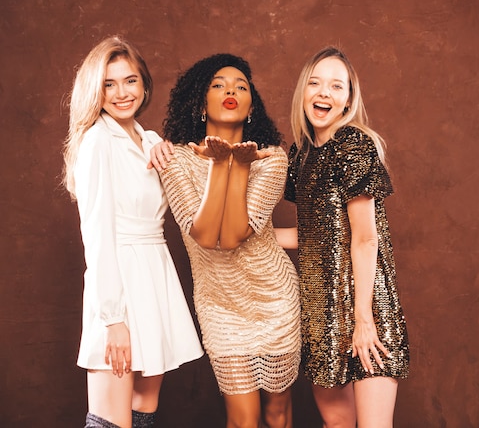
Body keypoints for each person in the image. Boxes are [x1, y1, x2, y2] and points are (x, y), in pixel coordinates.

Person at [150, 53, 301, 428]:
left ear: (252, 106)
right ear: (201, 102)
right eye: (218, 85)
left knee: (278, 412)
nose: (230, 91)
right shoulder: (176, 160)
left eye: (240, 86)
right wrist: (223, 165)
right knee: (243, 421)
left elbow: (235, 234)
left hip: (274, 299)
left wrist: (240, 164)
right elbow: (204, 236)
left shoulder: (270, 158)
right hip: (220, 306)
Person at [62, 35, 204, 428]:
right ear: (95, 89)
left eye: (130, 81)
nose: (122, 93)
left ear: (144, 84)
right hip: (119, 285)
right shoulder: (96, 142)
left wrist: (157, 142)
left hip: (154, 278)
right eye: (109, 84)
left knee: (144, 408)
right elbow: (97, 234)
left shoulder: (146, 138)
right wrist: (113, 320)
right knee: (112, 421)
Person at [278, 46, 410, 428]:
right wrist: (251, 237)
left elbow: (365, 238)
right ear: (303, 91)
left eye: (337, 86)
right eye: (315, 83)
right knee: (337, 424)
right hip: (323, 313)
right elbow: (318, 234)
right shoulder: (301, 155)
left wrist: (363, 319)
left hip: (366, 309)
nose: (324, 93)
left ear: (349, 98)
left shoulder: (353, 144)